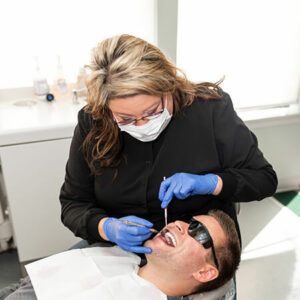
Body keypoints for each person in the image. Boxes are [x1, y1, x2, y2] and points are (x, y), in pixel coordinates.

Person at [59, 33, 277, 256]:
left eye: (152, 112)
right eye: (126, 118)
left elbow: (264, 180)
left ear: (170, 87)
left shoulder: (209, 110)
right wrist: (106, 228)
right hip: (118, 251)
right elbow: (73, 204)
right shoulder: (93, 122)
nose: (142, 124)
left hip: (196, 252)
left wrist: (211, 183)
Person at [0, 210, 241, 300]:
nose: (179, 224)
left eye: (198, 232)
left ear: (206, 271)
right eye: (189, 220)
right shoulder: (114, 254)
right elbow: (22, 289)